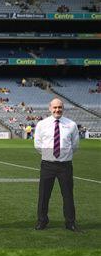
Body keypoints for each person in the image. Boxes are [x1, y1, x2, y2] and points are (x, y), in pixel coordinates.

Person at [34, 98, 80, 232]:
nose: (57, 110)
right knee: (43, 195)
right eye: (54, 107)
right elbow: (37, 144)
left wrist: (65, 156)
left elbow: (75, 145)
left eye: (59, 107)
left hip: (65, 166)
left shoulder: (71, 125)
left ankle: (70, 222)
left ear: (63, 108)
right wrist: (49, 155)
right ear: (49, 108)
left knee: (68, 195)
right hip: (47, 165)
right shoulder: (42, 124)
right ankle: (42, 221)